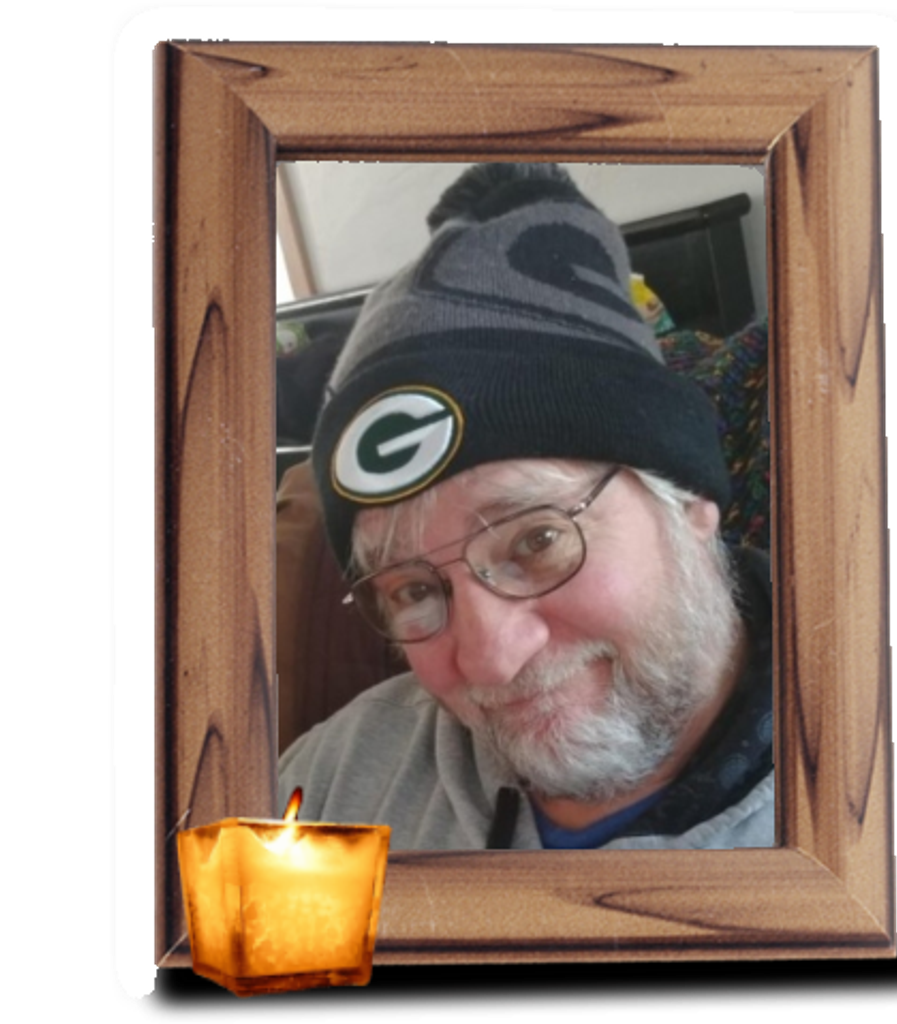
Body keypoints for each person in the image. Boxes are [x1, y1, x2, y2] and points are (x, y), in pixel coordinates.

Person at [279, 163, 773, 851]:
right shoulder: (330, 780)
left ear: (688, 498)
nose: (491, 661)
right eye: (414, 589)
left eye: (537, 541)